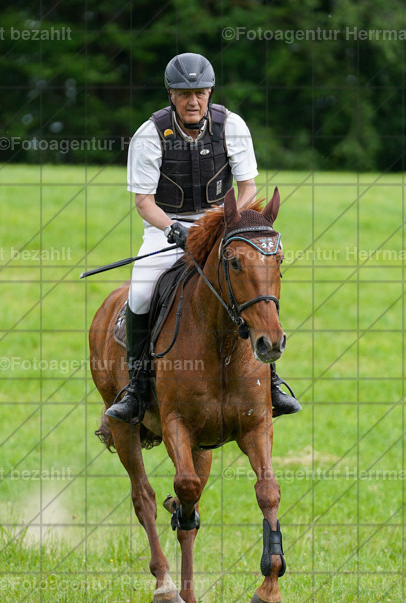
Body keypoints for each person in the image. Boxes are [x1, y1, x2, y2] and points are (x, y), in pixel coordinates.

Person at [106, 52, 302, 425]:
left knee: (254, 281)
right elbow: (144, 202)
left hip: (222, 226)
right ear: (171, 95)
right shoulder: (150, 134)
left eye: (200, 93)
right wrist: (174, 230)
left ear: (210, 92)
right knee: (141, 293)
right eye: (184, 94)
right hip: (167, 228)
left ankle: (272, 382)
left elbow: (248, 188)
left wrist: (228, 222)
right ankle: (136, 389)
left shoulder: (232, 126)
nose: (193, 101)